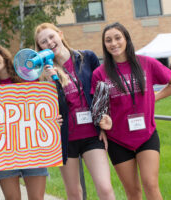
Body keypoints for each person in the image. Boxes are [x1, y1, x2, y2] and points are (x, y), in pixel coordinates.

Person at [91, 22, 171, 200]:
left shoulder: (146, 63)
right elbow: (99, 107)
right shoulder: (100, 73)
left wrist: (154, 97)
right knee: (133, 192)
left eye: (118, 38)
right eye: (108, 40)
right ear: (104, 45)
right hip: (118, 139)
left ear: (126, 39)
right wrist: (102, 121)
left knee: (151, 185)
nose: (114, 43)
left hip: (146, 134)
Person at [34, 22, 116, 200]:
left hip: (92, 135)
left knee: (105, 188)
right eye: (43, 42)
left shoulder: (87, 57)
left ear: (60, 34)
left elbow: (102, 90)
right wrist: (48, 82)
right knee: (73, 193)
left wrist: (102, 122)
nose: (49, 42)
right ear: (40, 48)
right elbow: (42, 107)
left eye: (51, 37)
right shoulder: (42, 73)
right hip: (65, 138)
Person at [0, 40, 50, 200]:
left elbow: (41, 106)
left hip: (32, 146)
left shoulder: (27, 73)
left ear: (1, 53)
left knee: (37, 198)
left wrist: (50, 120)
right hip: (3, 151)